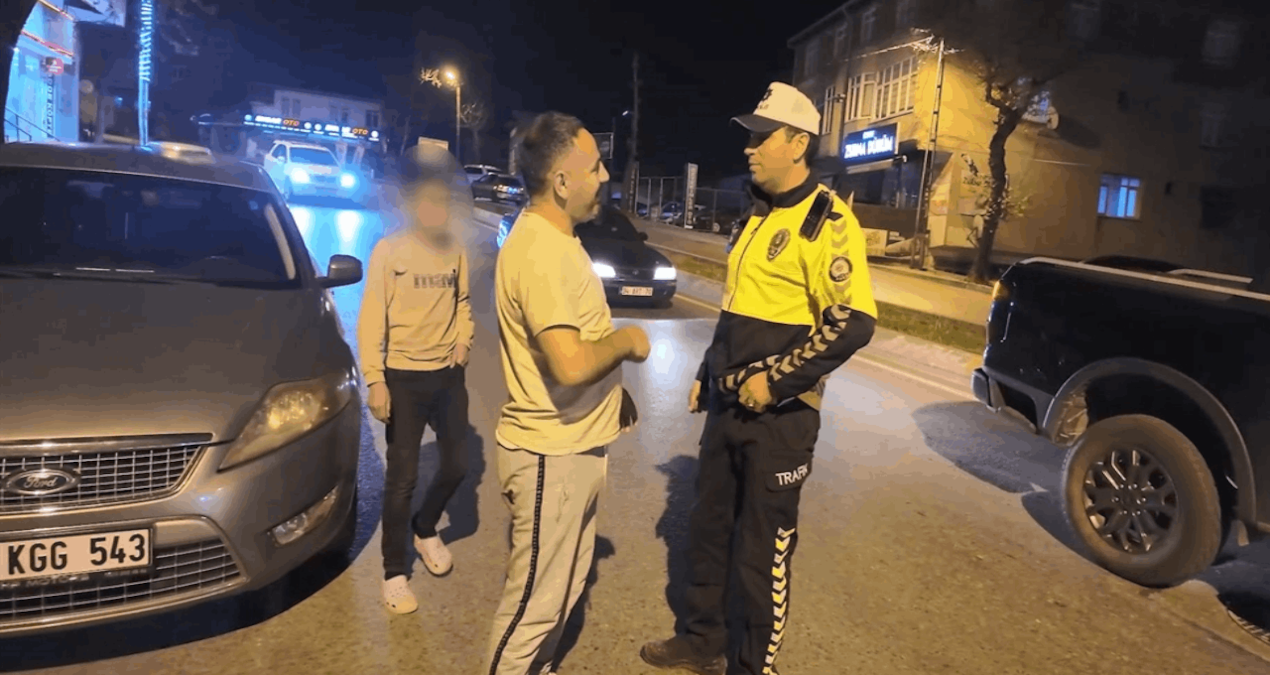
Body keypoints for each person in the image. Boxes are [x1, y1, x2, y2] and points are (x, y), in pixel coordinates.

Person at [641, 82, 879, 675]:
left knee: (760, 552)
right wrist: (707, 371)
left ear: (798, 144)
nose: (749, 148)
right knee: (708, 530)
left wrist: (774, 382)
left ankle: (753, 666)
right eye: (749, 137)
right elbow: (735, 308)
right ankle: (702, 640)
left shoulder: (828, 221)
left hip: (781, 420)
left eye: (761, 137)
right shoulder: (755, 212)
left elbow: (852, 323)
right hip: (727, 405)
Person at [485, 111, 649, 675]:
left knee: (561, 594)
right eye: (595, 166)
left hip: (574, 450)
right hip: (549, 458)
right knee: (532, 609)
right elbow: (571, 362)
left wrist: (613, 394)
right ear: (561, 181)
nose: (604, 176)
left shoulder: (559, 240)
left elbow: (574, 344)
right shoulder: (542, 252)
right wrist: (626, 343)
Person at [357, 144, 476, 614]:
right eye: (427, 201)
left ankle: (425, 528)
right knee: (401, 480)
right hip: (403, 380)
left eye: (442, 201)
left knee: (458, 465)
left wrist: (463, 342)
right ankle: (394, 572)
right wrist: (375, 380)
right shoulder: (390, 251)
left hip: (447, 378)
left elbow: (463, 304)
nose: (435, 209)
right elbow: (372, 319)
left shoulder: (455, 249)